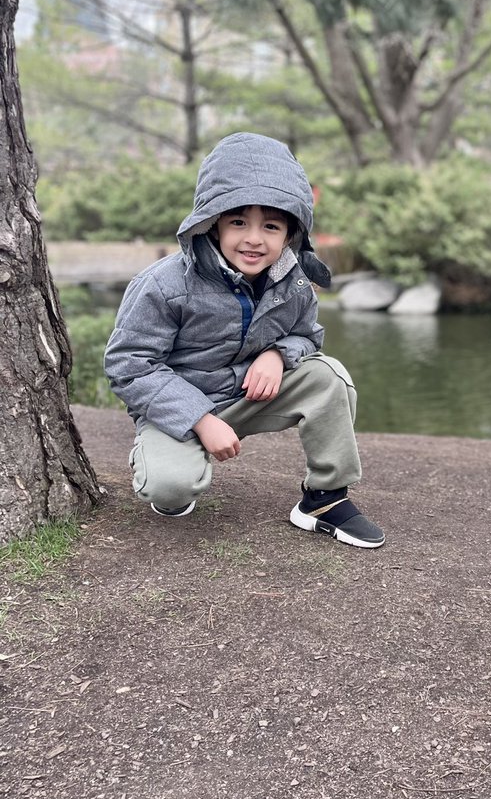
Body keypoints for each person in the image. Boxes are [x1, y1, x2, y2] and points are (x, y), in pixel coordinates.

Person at [104, 131, 385, 549]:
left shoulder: (295, 283)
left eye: (270, 226)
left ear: (290, 233)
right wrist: (200, 419)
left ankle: (324, 501)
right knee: (170, 491)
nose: (254, 239)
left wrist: (277, 354)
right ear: (213, 222)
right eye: (238, 222)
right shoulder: (163, 284)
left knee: (328, 377)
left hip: (247, 395)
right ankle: (160, 457)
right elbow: (128, 364)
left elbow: (308, 337)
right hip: (179, 406)